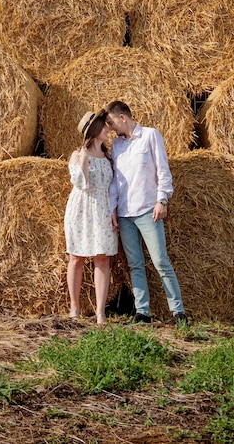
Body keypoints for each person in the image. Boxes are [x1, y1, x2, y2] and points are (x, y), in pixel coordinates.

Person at [105, 100, 188, 328]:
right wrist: (113, 209)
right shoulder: (117, 146)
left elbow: (163, 170)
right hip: (125, 213)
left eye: (111, 122)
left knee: (161, 261)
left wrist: (162, 200)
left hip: (147, 211)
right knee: (135, 264)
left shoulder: (151, 136)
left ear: (123, 117)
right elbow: (115, 182)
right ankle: (143, 312)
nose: (110, 128)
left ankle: (178, 311)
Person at [64, 109, 118, 326]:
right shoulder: (77, 155)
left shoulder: (108, 157)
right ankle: (74, 307)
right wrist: (85, 158)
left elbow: (113, 187)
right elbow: (79, 181)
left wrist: (114, 211)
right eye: (104, 125)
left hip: (103, 209)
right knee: (76, 258)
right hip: (81, 209)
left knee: (102, 258)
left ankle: (100, 313)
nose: (108, 128)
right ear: (94, 130)